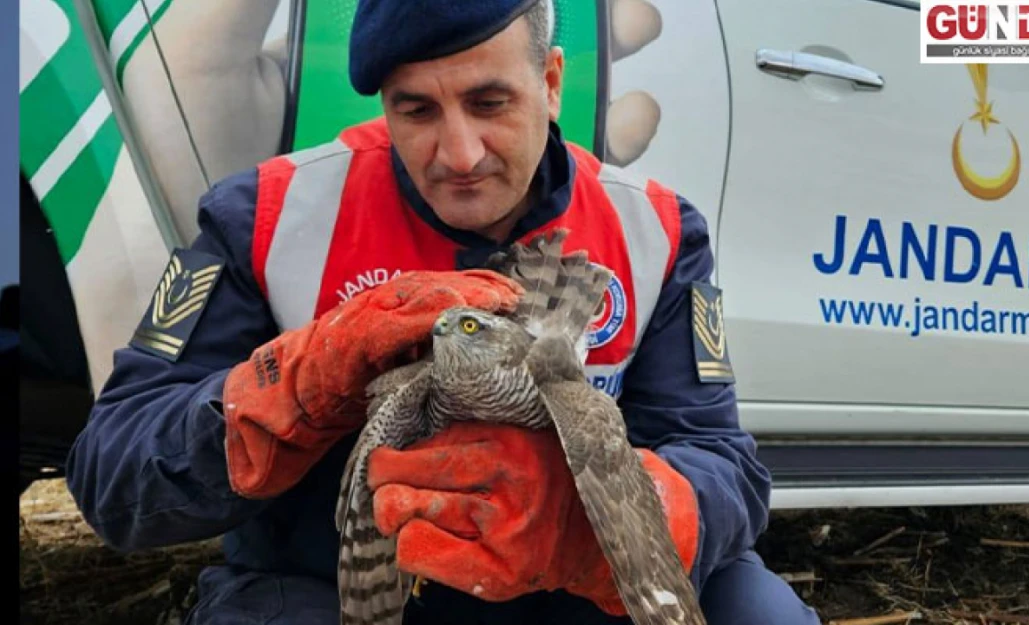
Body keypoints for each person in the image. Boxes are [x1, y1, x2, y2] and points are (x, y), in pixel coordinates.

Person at [65, 0, 822, 623]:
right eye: (417, 110)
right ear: (383, 105)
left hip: (573, 592)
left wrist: (593, 520)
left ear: (552, 82)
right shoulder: (268, 215)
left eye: (490, 103)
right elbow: (113, 474)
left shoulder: (653, 231)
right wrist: (285, 386)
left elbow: (724, 464)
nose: (459, 154)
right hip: (335, 588)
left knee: (756, 611)